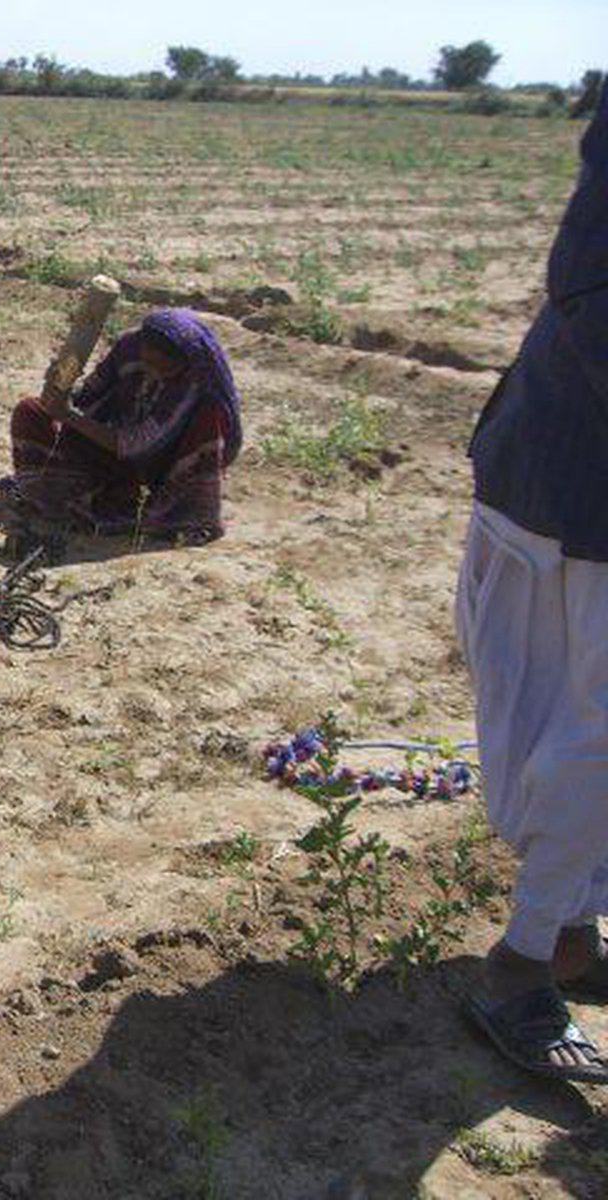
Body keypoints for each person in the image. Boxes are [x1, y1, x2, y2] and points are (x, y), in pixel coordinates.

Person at [460, 86, 608, 1084]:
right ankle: (522, 962)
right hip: (576, 473)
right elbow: (593, 285)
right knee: (590, 733)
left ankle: (565, 932)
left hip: (560, 466)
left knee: (578, 723)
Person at [0, 309, 242, 557]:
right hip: (111, 447)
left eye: (165, 368)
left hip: (159, 467)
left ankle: (161, 511)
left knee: (209, 419)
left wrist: (68, 415)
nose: (155, 371)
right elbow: (89, 394)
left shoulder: (194, 382)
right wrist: (60, 385)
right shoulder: (128, 348)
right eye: (149, 361)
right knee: (31, 410)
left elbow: (138, 445)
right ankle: (50, 495)